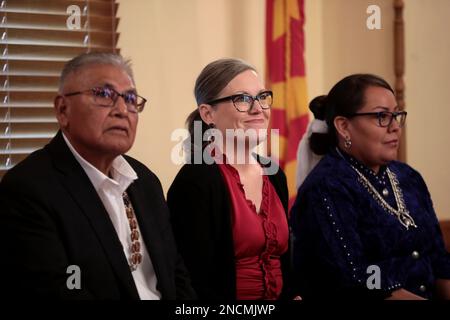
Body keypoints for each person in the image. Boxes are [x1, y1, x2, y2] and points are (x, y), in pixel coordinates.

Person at [0, 52, 195, 300]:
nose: (122, 110)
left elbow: (176, 275)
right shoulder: (29, 190)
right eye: (104, 95)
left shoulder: (145, 181)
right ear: (62, 110)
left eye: (131, 98)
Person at [290, 74, 450, 300]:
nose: (395, 127)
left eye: (396, 115)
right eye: (381, 116)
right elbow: (359, 279)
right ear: (343, 126)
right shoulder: (325, 188)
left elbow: (439, 262)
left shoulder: (408, 177)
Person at [167, 58, 294, 300]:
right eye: (243, 99)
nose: (258, 109)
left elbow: (285, 265)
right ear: (207, 114)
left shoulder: (274, 174)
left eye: (262, 97)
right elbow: (194, 284)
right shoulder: (196, 182)